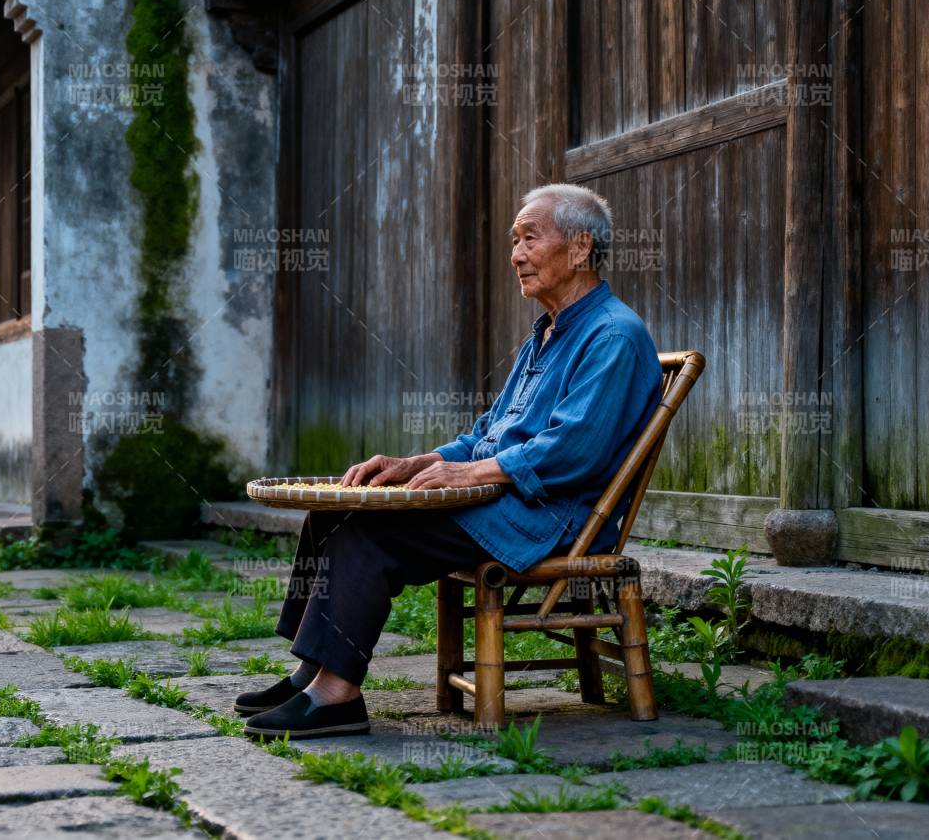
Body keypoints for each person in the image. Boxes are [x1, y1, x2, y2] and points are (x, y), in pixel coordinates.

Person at [236, 184, 663, 739]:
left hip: (545, 518)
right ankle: (313, 672)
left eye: (530, 237)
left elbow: (573, 450)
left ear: (580, 248)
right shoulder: (548, 333)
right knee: (334, 511)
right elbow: (488, 432)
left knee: (367, 530)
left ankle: (337, 696)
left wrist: (472, 472)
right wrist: (418, 463)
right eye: (514, 241)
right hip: (502, 501)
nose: (516, 254)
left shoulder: (613, 335)